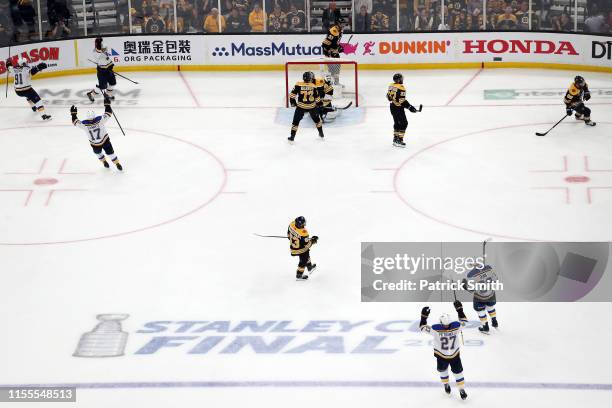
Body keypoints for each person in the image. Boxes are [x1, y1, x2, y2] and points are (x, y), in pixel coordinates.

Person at [420, 302, 469, 400]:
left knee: (443, 372)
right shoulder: (456, 326)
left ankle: (446, 385)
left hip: (441, 355)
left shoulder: (436, 329)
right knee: (458, 373)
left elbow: (422, 327)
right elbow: (465, 321)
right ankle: (462, 389)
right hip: (454, 355)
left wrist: (424, 317)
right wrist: (459, 309)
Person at [71, 95, 123, 171]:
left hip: (94, 143)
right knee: (110, 153)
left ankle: (104, 161)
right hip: (105, 140)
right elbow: (108, 112)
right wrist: (107, 104)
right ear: (94, 116)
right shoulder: (100, 120)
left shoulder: (84, 124)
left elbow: (75, 122)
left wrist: (73, 114)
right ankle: (117, 164)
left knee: (98, 153)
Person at [288, 71, 325, 142]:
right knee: (317, 121)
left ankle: (292, 137)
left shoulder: (298, 84)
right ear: (310, 78)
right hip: (312, 107)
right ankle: (321, 134)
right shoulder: (313, 86)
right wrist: (320, 104)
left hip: (301, 107)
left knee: (295, 122)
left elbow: (292, 96)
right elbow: (317, 98)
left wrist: (293, 103)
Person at [461, 264, 499, 334]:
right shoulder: (489, 268)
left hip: (480, 297)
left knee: (481, 311)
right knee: (490, 307)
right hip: (490, 294)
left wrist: (464, 285)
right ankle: (494, 321)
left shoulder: (471, 274)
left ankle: (485, 326)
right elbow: (495, 279)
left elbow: (471, 290)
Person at [386, 73, 420, 148]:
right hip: (398, 108)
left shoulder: (391, 85)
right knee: (404, 123)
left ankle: (395, 139)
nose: (402, 79)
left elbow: (388, 96)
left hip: (392, 106)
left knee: (397, 123)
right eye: (401, 78)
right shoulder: (401, 87)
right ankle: (399, 140)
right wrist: (410, 107)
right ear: (398, 80)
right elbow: (401, 101)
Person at [86, 37, 117, 102]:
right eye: (104, 49)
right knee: (102, 87)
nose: (105, 50)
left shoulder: (104, 48)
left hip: (108, 70)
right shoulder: (96, 53)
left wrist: (111, 65)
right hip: (102, 71)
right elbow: (102, 58)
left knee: (113, 83)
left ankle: (108, 94)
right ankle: (90, 94)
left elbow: (107, 58)